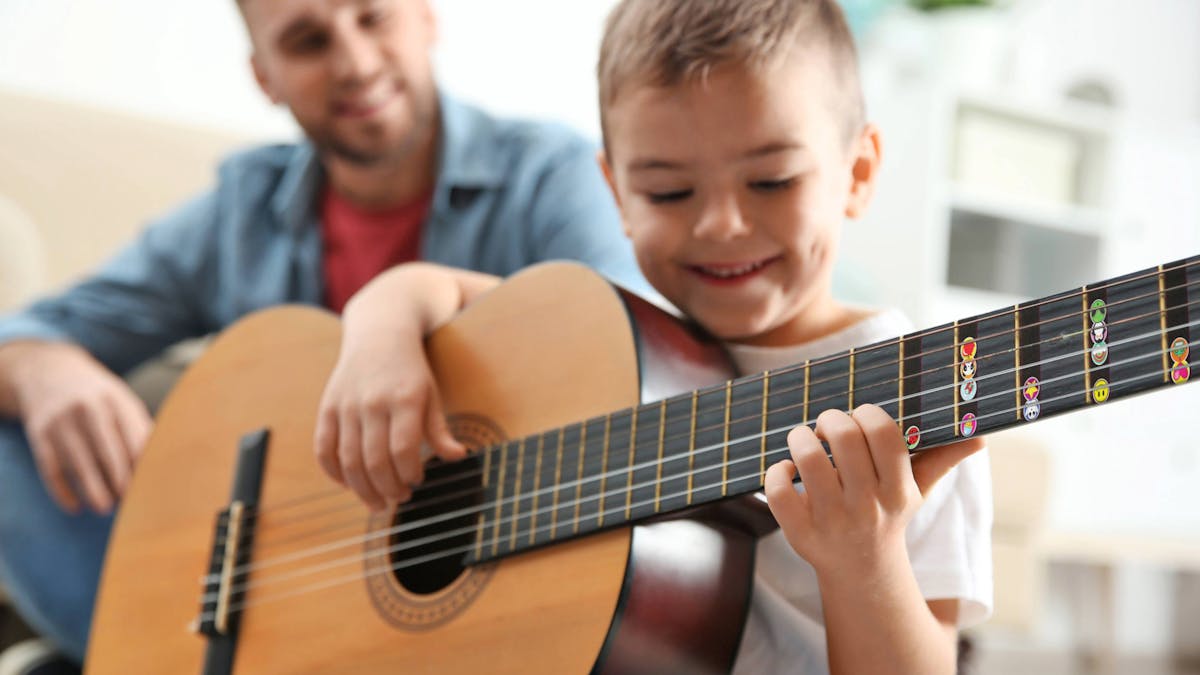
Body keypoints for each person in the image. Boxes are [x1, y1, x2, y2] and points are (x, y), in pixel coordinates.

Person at [316, 0, 993, 673]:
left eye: (771, 180)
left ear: (859, 172)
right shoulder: (614, 340)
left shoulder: (910, 388)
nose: (723, 224)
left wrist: (866, 560)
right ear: (617, 195)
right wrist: (378, 330)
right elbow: (433, 290)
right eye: (669, 192)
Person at [0, 0, 646, 667]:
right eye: (308, 42)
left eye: (373, 18)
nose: (356, 64)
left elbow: (647, 344)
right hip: (263, 604)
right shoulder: (239, 213)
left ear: (426, 18)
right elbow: (30, 332)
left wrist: (402, 311)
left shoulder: (553, 173)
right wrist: (44, 367)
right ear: (265, 76)